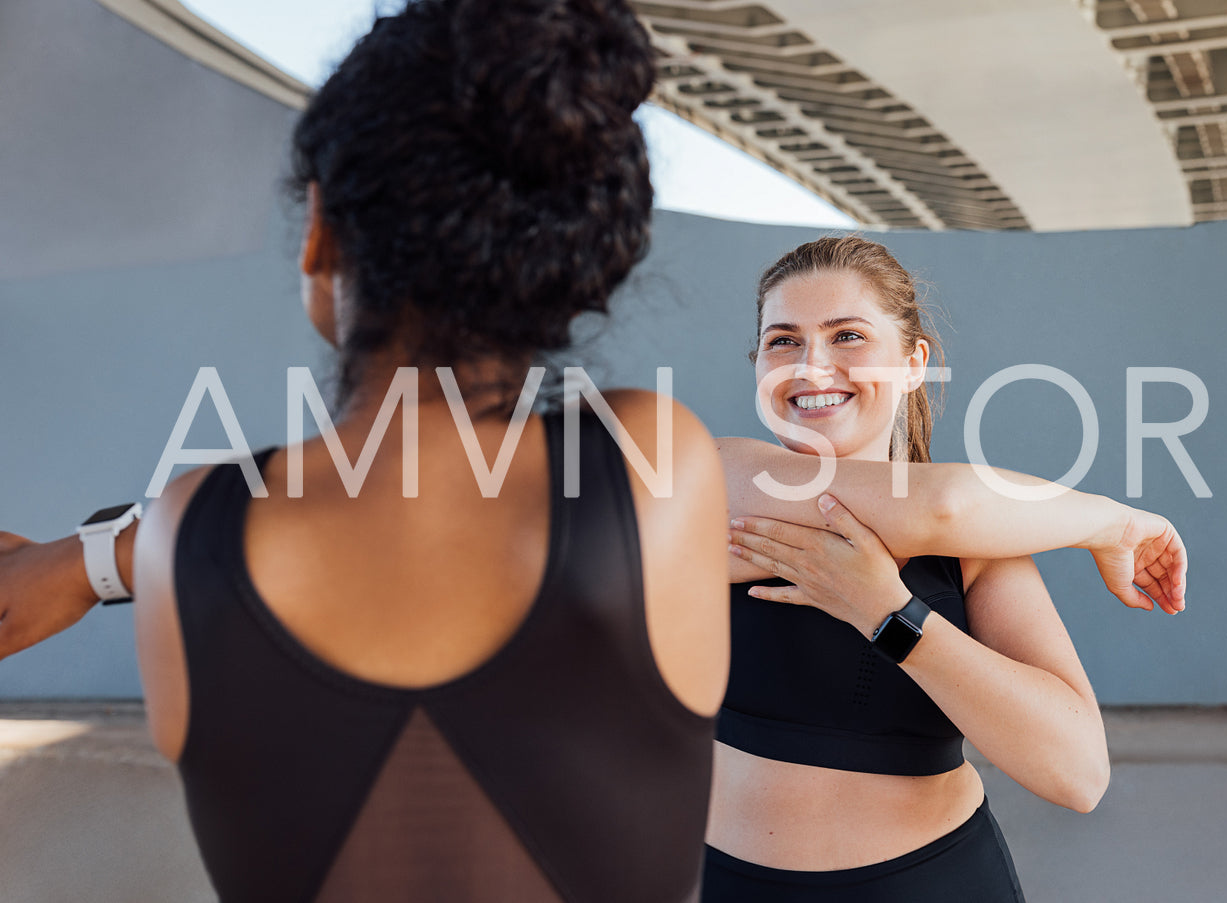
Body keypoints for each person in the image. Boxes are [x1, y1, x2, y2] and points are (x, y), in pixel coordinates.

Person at [8, 1, 734, 901]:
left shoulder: (192, 531)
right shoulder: (654, 461)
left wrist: (80, 562)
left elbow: (346, 506)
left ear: (320, 232)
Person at [693, 234, 1183, 901]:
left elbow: (1077, 773)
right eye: (782, 340)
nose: (810, 367)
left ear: (913, 361)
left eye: (847, 336)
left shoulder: (979, 546)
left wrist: (888, 615)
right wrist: (1115, 523)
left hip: (933, 882)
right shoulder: (724, 474)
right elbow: (942, 504)